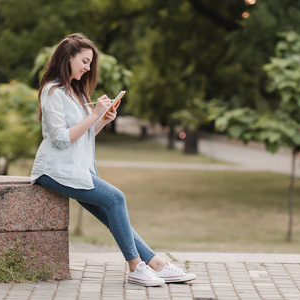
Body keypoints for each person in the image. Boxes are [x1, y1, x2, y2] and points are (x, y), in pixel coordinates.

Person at [30, 33, 196, 287]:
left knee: (111, 213)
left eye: (90, 63)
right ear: (68, 57)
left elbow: (84, 136)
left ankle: (156, 264)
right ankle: (136, 266)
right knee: (116, 199)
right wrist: (94, 114)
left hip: (75, 169)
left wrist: (103, 120)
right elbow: (62, 138)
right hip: (53, 171)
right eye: (84, 61)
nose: (87, 68)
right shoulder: (52, 91)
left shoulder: (78, 92)